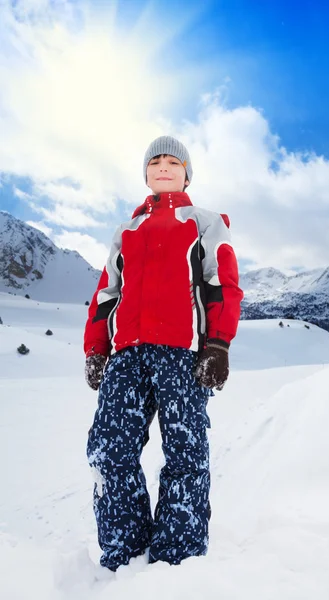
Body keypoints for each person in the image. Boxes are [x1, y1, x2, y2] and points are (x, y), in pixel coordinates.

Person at [83, 135, 243, 571]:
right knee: (110, 450)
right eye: (156, 162)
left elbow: (221, 283)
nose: (165, 167)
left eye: (174, 162)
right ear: (146, 174)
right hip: (127, 356)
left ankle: (178, 556)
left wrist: (217, 344)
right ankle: (125, 549)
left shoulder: (206, 222)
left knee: (185, 453)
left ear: (187, 172)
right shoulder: (127, 230)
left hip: (181, 353)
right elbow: (106, 294)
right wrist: (97, 349)